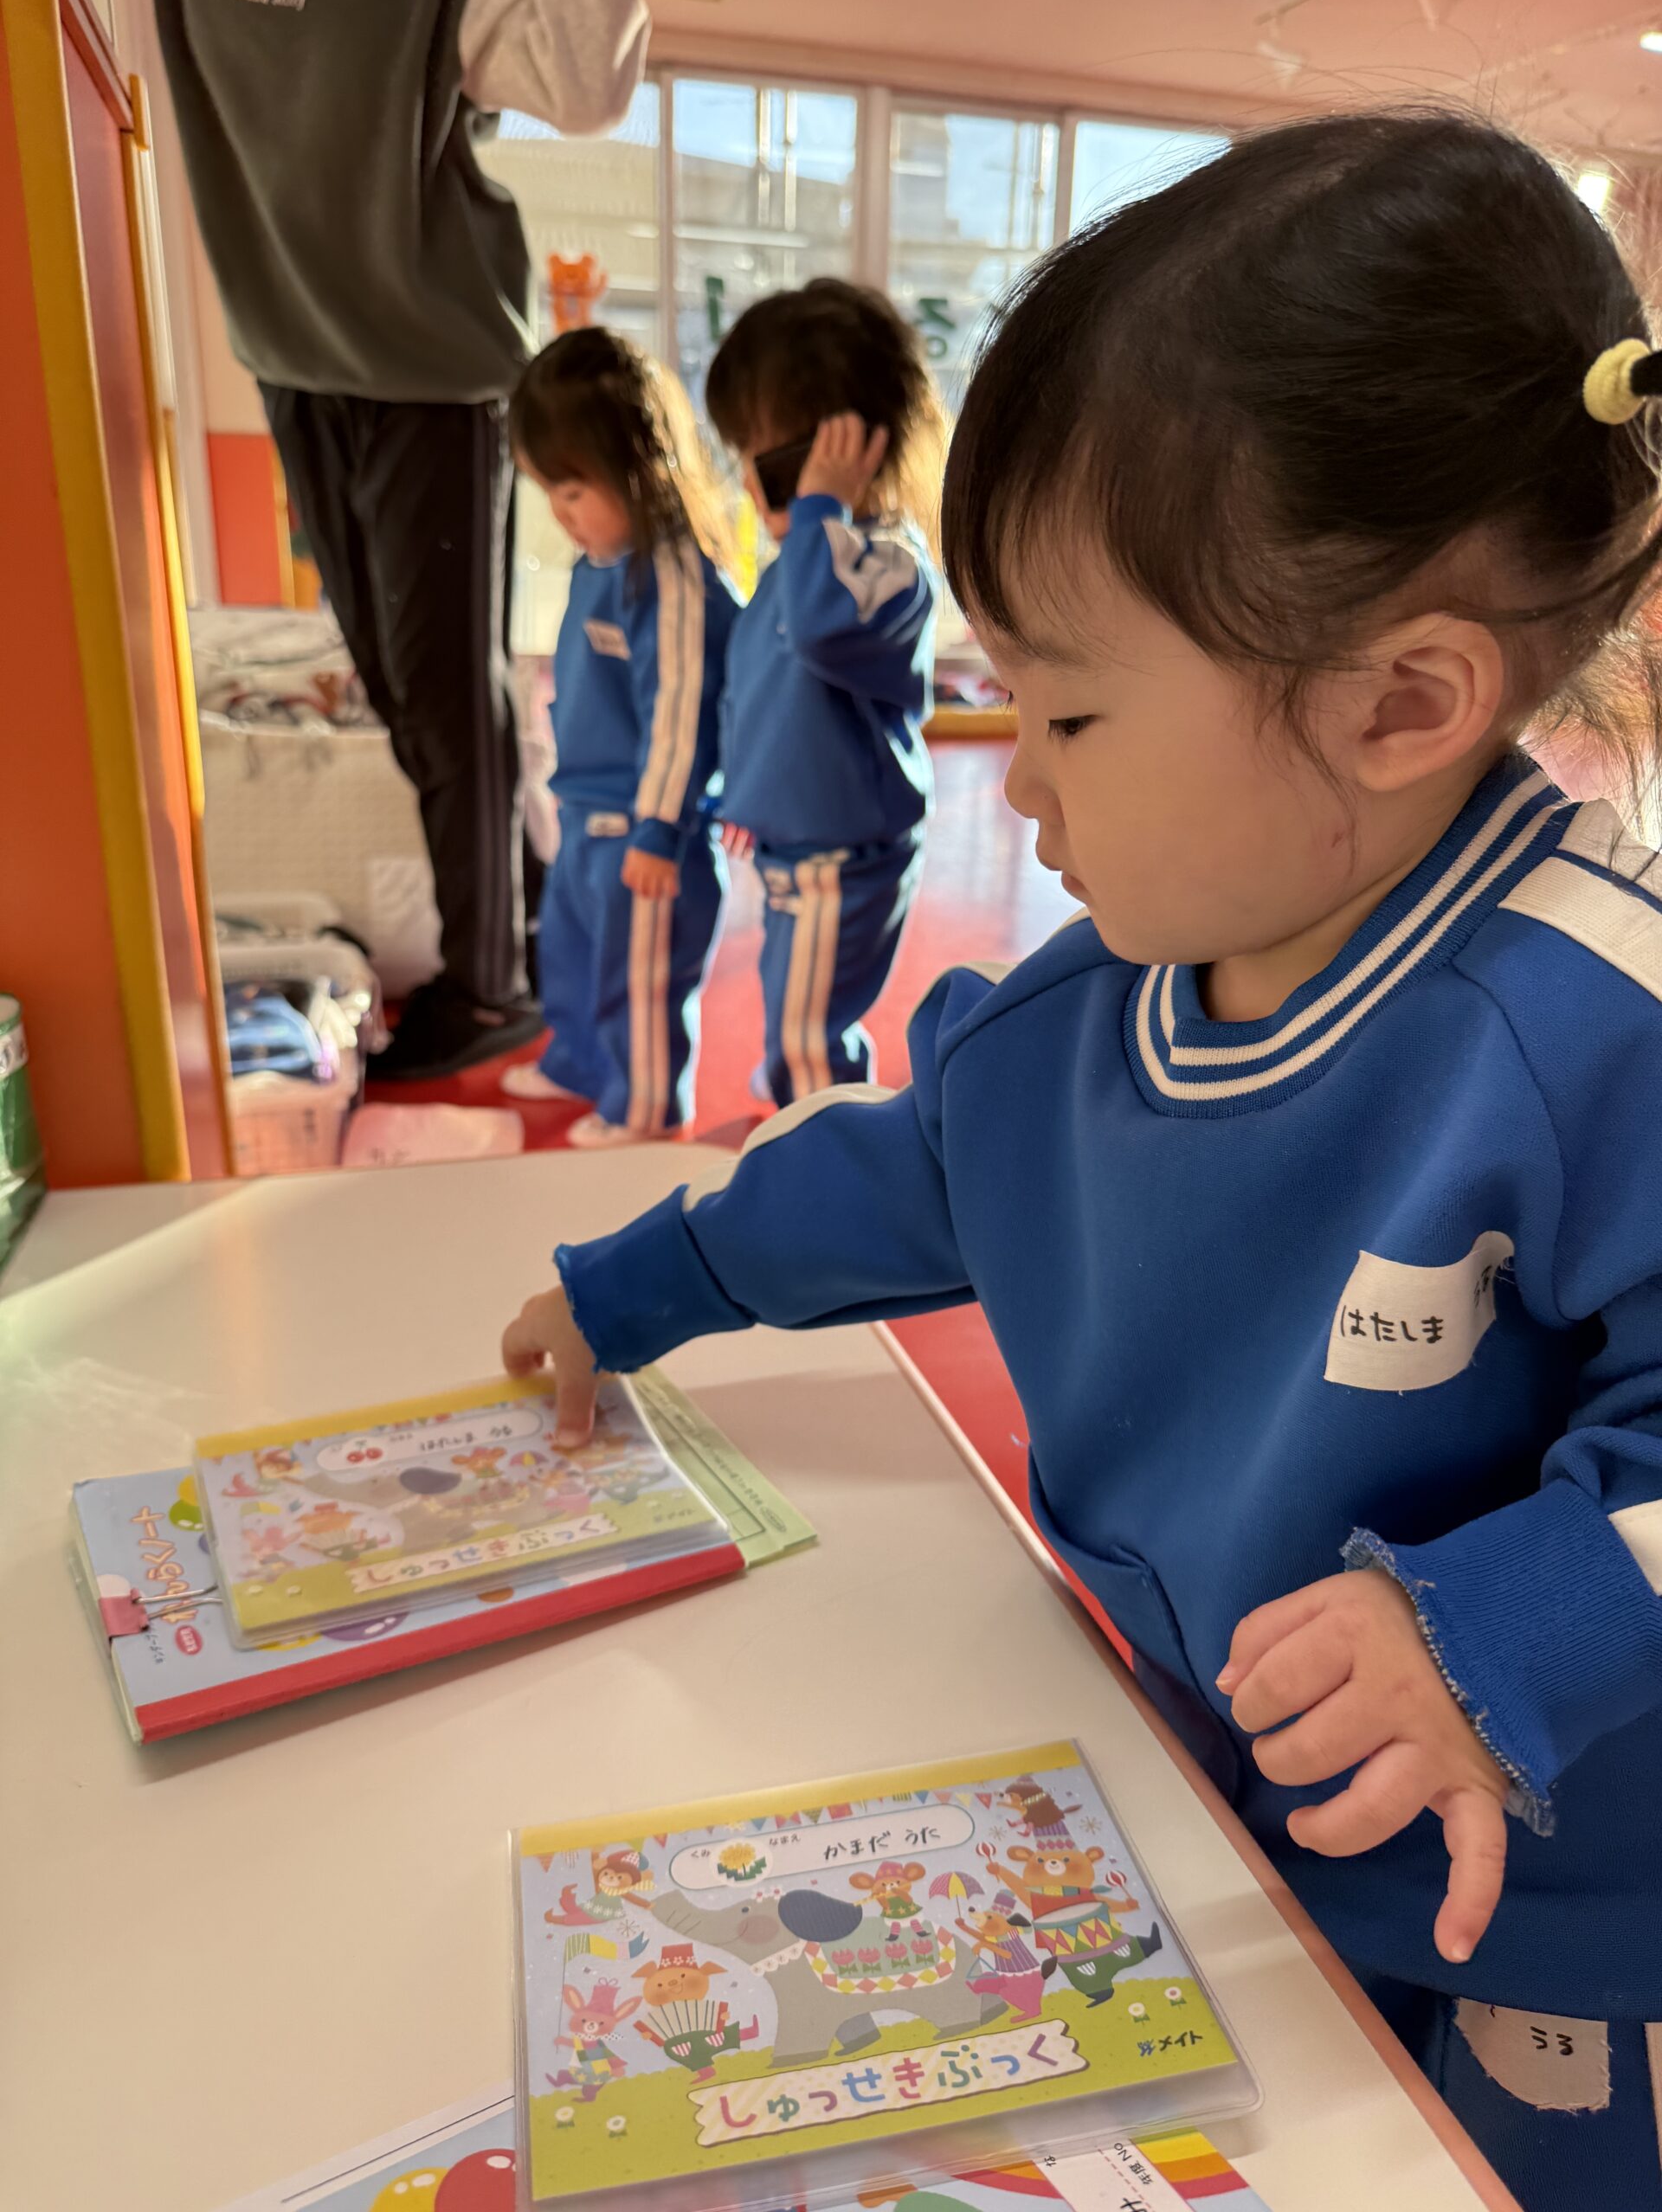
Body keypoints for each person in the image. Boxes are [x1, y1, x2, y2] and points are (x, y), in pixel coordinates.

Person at [503, 112, 1662, 2208]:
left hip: (1534, 1890)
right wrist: (640, 1284)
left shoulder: (1593, 1026)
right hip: (1199, 1809)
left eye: (1070, 716)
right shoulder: (1080, 1010)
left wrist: (1500, 1630)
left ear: (1402, 702)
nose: (1015, 783)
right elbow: (905, 1175)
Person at [153, 0, 649, 1079]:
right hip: (289, 354)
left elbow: (588, 89)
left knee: (448, 691)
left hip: (434, 371)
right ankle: (519, 907)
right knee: (397, 681)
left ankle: (489, 986)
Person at [704, 283, 945, 1105]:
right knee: (795, 1011)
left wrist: (818, 506)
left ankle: (816, 1136)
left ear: (841, 453)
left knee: (805, 1037)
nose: (746, 481)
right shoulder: (806, 561)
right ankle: (811, 1103)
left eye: (765, 459)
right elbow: (765, 694)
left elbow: (818, 630)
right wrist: (746, 797)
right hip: (800, 849)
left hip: (841, 861)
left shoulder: (887, 565)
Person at [501, 331, 740, 1147]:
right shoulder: (596, 565)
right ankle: (578, 1063)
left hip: (644, 833)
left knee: (639, 979)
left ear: (639, 469)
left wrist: (659, 830)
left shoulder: (672, 578)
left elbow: (680, 715)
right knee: (572, 958)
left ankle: (645, 1107)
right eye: (548, 493)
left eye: (572, 492)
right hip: (586, 817)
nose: (560, 516)